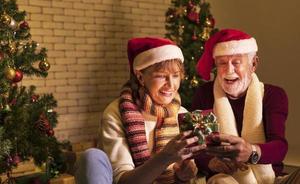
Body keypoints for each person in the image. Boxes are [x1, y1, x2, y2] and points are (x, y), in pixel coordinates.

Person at [75, 37, 206, 184]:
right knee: (91, 157)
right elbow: (122, 181)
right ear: (140, 77)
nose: (171, 84)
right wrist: (165, 157)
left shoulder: (183, 114)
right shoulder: (117, 113)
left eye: (175, 76)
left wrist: (183, 175)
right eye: (161, 76)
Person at [191, 28, 300, 184]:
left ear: (253, 64)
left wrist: (252, 152)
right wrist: (210, 162)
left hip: (272, 179)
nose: (229, 70)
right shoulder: (204, 94)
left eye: (236, 62)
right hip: (225, 177)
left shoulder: (273, 94)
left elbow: (279, 147)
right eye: (222, 63)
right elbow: (197, 147)